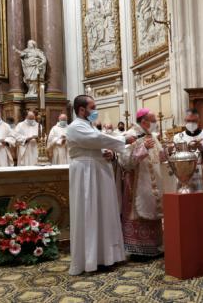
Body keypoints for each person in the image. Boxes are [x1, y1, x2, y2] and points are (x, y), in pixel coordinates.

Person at [67, 95, 135, 275]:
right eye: (93, 107)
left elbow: (99, 145)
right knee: (89, 212)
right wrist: (124, 140)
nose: (95, 111)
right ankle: (91, 259)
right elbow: (97, 139)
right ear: (82, 110)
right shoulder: (75, 127)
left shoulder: (87, 125)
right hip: (86, 172)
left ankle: (107, 256)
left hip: (98, 171)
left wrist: (111, 154)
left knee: (104, 212)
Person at [119, 108, 165, 259]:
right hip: (136, 183)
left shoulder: (152, 136)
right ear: (144, 121)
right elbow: (125, 162)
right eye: (153, 121)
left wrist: (168, 151)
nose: (155, 123)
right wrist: (143, 148)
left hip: (153, 184)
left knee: (153, 211)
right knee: (140, 211)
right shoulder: (130, 136)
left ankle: (155, 246)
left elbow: (159, 158)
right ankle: (138, 249)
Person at [173, 108, 203, 191]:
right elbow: (174, 159)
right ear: (185, 121)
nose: (191, 123)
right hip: (185, 176)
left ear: (199, 120)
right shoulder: (177, 138)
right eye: (188, 121)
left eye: (194, 121)